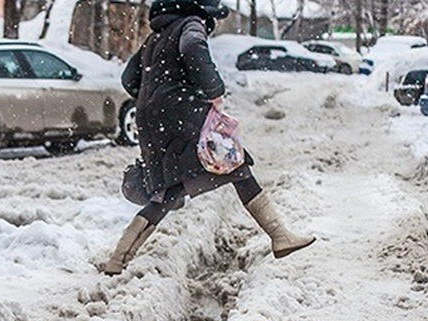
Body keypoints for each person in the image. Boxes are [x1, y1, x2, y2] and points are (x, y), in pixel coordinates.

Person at [101, 0, 316, 276]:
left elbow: (129, 79)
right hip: (182, 114)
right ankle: (280, 235)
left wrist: (156, 95)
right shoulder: (191, 24)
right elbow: (193, 49)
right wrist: (212, 89)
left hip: (151, 119)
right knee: (235, 163)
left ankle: (117, 260)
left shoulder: (155, 37)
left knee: (170, 190)